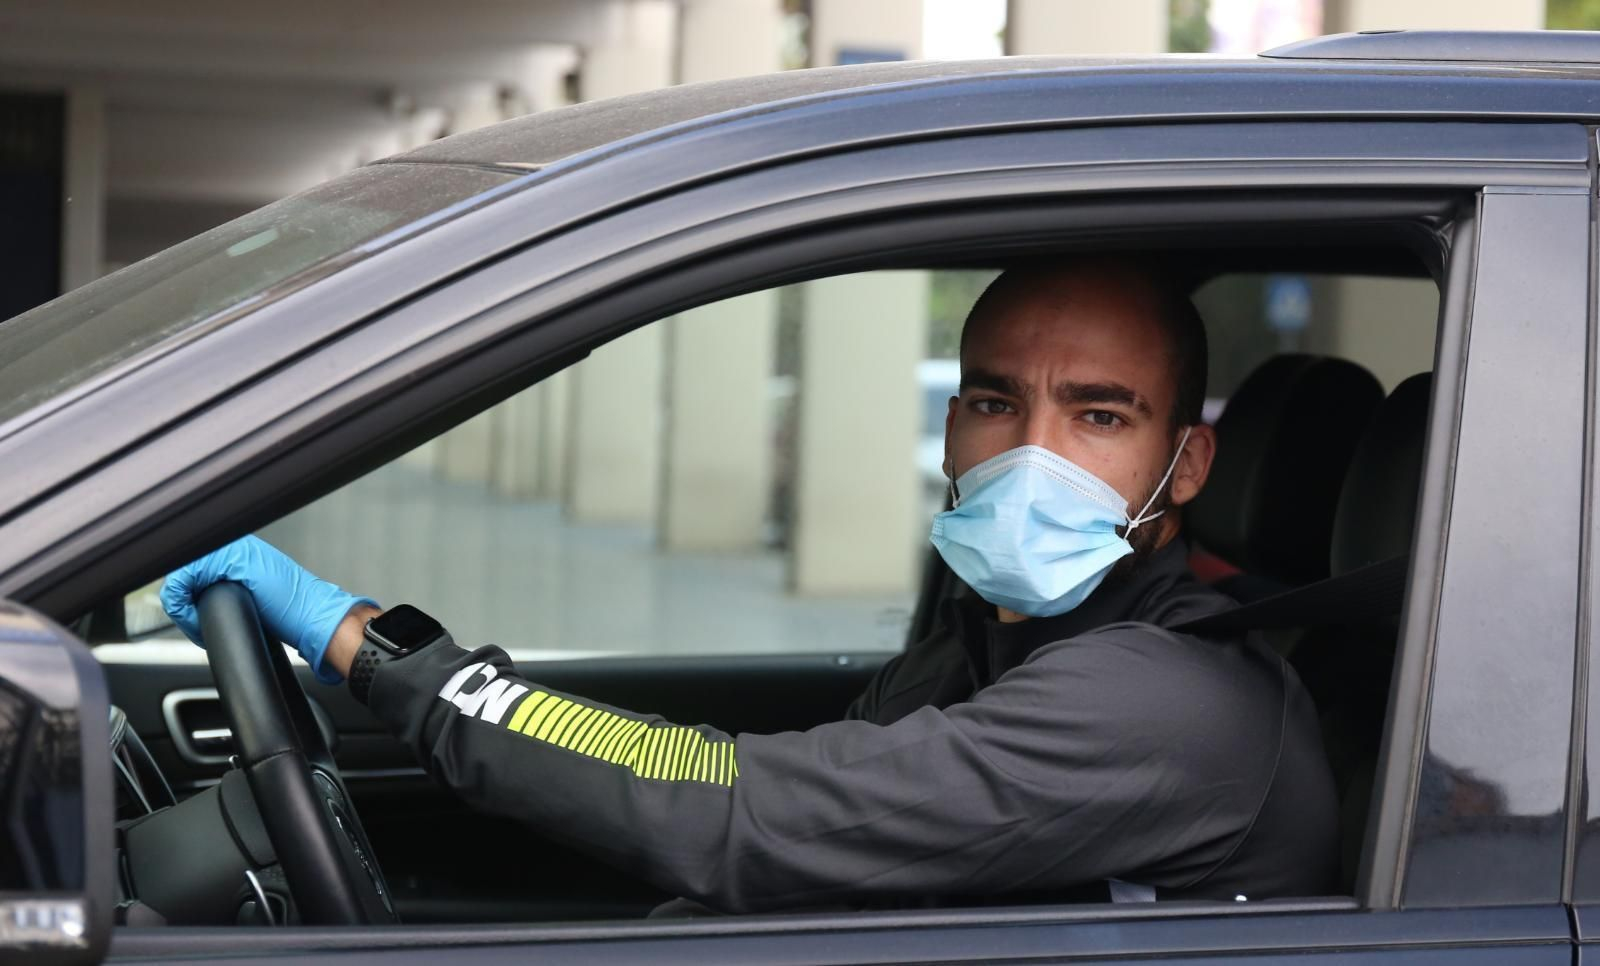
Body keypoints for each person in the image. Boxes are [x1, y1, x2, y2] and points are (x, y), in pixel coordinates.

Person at [162, 258, 1339, 914]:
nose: (1028, 454)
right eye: (994, 402)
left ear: (1182, 465)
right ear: (951, 427)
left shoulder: (1165, 704)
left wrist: (379, 650)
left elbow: (725, 803)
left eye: (1097, 415)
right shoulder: (991, 646)